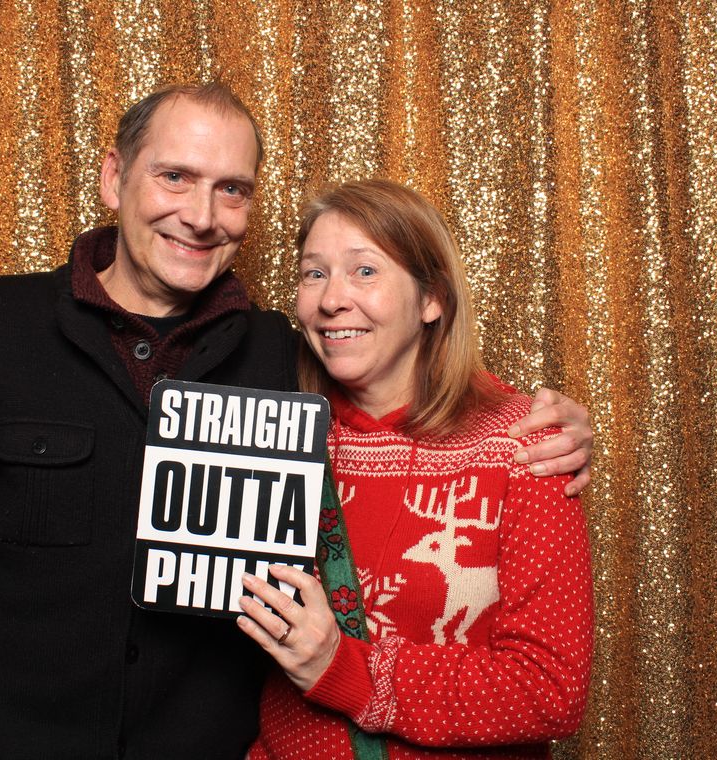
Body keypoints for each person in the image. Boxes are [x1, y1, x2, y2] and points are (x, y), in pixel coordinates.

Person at [0, 83, 592, 760]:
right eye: (175, 176)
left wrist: (538, 418)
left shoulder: (280, 360)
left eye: (231, 190)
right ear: (114, 178)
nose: (201, 216)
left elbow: (413, 382)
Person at [237, 179, 594, 759]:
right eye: (314, 272)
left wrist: (345, 670)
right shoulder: (274, 431)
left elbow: (549, 691)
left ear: (433, 300)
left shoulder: (525, 447)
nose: (332, 300)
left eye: (366, 271)